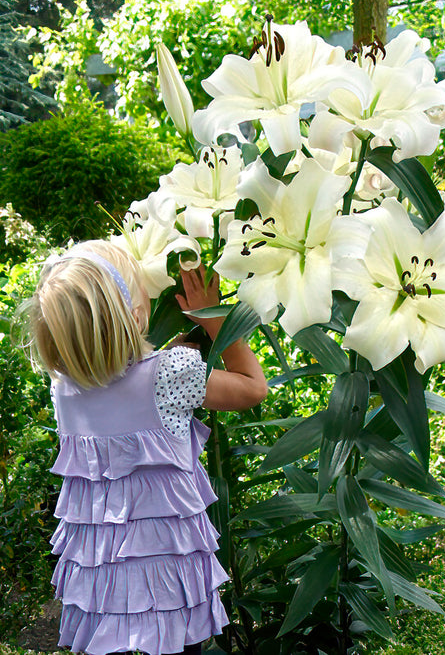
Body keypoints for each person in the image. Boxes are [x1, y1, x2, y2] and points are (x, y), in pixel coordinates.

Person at [26, 239, 268, 655]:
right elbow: (253, 388)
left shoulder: (62, 387)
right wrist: (214, 320)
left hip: (102, 587)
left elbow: (117, 384)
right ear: (138, 317)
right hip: (169, 585)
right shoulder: (172, 375)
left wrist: (168, 356)